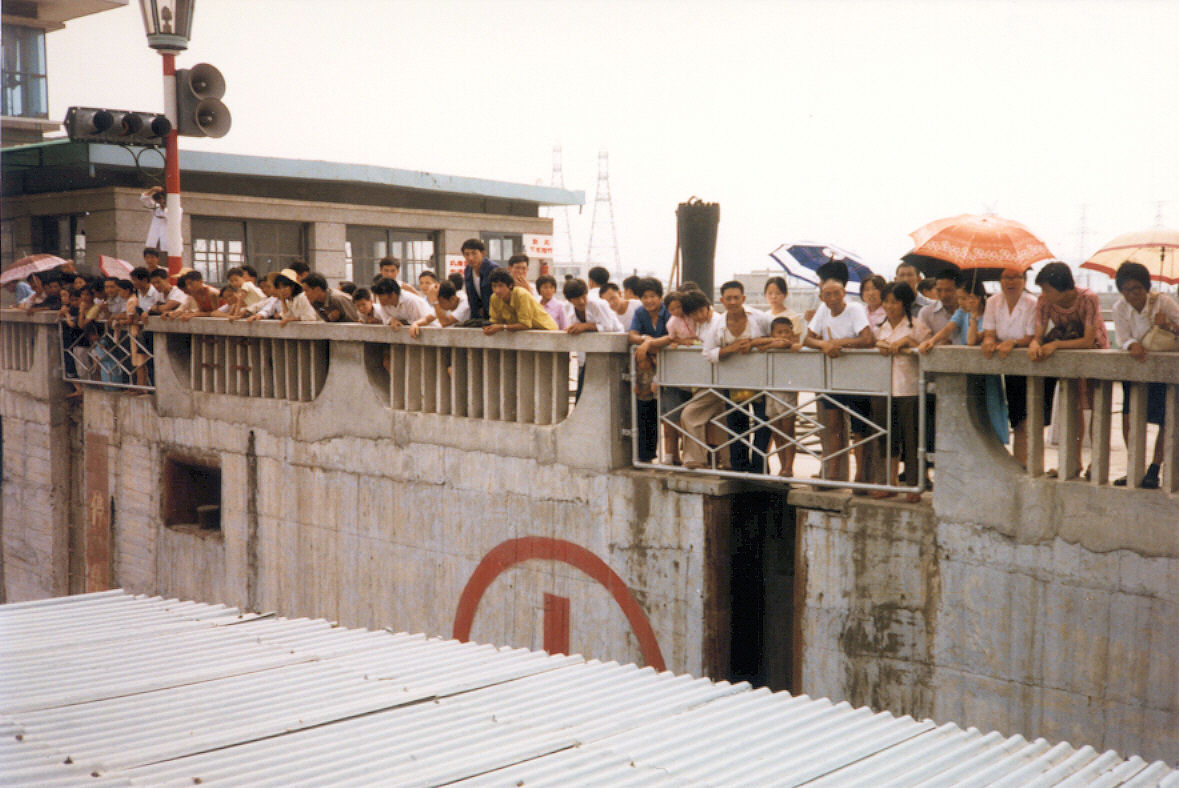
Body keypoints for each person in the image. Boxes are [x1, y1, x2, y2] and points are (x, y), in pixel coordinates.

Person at [1027, 262, 1110, 478]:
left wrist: (1055, 345)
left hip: (1092, 351)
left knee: (1096, 408)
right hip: (1067, 352)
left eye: (1047, 289)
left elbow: (1088, 339)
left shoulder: (1088, 298)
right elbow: (1039, 331)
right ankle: (1073, 462)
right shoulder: (1044, 301)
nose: (1043, 294)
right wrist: (1036, 343)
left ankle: (1097, 464)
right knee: (1073, 409)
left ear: (1061, 286)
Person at [680, 280, 772, 470]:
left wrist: (753, 344)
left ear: (743, 298)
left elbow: (778, 337)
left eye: (736, 298)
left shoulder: (759, 317)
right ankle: (739, 467)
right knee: (737, 423)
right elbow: (708, 352)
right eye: (728, 298)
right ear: (722, 300)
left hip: (760, 379)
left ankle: (759, 467)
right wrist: (730, 349)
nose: (732, 302)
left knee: (763, 421)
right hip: (733, 381)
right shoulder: (719, 324)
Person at [803, 261, 876, 484]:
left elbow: (868, 339)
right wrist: (825, 345)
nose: (832, 298)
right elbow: (807, 338)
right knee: (833, 425)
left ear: (844, 292)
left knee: (859, 427)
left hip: (856, 377)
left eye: (836, 294)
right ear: (822, 297)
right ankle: (834, 472)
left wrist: (841, 343)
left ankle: (861, 474)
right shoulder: (824, 310)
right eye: (827, 295)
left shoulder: (854, 309)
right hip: (832, 378)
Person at [1112, 261, 1179, 488]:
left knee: (1165, 420)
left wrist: (1168, 325)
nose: (1132, 295)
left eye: (1137, 289)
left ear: (1146, 287)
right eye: (1127, 289)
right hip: (1136, 370)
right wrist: (1132, 345)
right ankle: (1135, 467)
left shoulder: (1164, 302)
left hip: (1162, 371)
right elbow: (1122, 337)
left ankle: (1154, 468)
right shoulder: (1120, 307)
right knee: (1129, 418)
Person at [869, 282, 927, 502]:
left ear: (905, 303)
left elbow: (924, 346)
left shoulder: (917, 325)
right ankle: (888, 482)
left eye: (895, 301)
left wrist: (908, 341)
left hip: (909, 388)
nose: (890, 306)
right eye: (887, 301)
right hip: (884, 388)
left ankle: (913, 486)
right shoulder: (880, 326)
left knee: (911, 438)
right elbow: (875, 345)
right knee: (886, 437)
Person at [981, 267, 1038, 465]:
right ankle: (1016, 465)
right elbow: (989, 331)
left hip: (1026, 365)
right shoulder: (993, 302)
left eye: (1016, 277)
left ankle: (1024, 465)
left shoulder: (1032, 303)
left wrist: (1013, 342)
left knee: (1025, 419)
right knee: (1010, 417)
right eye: (1006, 277)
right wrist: (989, 340)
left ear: (1024, 281)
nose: (1011, 282)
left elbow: (1032, 336)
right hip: (1003, 364)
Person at [628, 277, 671, 462]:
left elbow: (673, 337)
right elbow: (632, 335)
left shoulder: (669, 312)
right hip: (647, 369)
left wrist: (649, 343)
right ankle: (646, 454)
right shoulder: (640, 312)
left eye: (652, 296)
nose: (648, 300)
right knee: (645, 409)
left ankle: (672, 457)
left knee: (669, 410)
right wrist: (646, 340)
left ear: (660, 297)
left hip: (669, 366)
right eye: (644, 297)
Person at [563, 278, 623, 400]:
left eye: (583, 297)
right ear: (570, 300)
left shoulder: (598, 304)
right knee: (584, 386)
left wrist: (585, 326)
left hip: (613, 348)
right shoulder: (567, 307)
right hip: (588, 352)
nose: (581, 301)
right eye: (576, 299)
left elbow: (608, 327)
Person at [764, 316, 804, 477]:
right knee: (776, 430)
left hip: (787, 390)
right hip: (770, 390)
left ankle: (789, 466)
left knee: (788, 429)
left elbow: (791, 344)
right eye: (779, 332)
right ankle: (782, 465)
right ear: (772, 333)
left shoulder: (794, 347)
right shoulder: (768, 346)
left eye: (786, 332)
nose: (783, 335)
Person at [483, 268, 557, 334]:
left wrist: (502, 327)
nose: (497, 290)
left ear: (510, 285)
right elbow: (495, 321)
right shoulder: (494, 298)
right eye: (494, 286)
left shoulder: (521, 295)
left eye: (501, 285)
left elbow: (525, 325)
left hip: (548, 332)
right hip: (528, 336)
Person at [461, 239, 499, 320]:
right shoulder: (468, 270)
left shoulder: (493, 269)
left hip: (497, 314)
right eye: (467, 254)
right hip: (480, 316)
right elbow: (471, 298)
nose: (470, 258)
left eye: (474, 253)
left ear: (482, 253)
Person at [140, 187, 167, 254]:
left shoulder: (176, 209)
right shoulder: (156, 208)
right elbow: (143, 199)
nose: (160, 200)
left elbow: (167, 214)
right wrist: (153, 190)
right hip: (154, 242)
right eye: (158, 199)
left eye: (161, 198)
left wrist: (163, 206)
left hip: (168, 241)